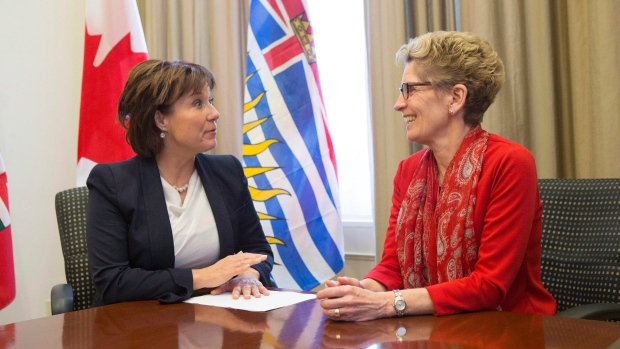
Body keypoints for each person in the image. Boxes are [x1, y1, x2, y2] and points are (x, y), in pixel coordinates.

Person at [317, 31, 556, 321]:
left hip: (509, 328)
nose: (398, 103)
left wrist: (385, 303)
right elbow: (393, 267)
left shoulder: (511, 163)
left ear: (455, 97)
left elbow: (489, 285)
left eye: (409, 89)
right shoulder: (408, 171)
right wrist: (362, 291)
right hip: (432, 327)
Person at [86, 59, 274, 306]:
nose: (214, 113)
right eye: (198, 103)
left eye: (210, 101)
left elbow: (257, 250)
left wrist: (247, 277)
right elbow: (112, 282)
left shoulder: (227, 171)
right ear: (161, 120)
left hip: (218, 319)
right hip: (141, 328)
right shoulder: (112, 183)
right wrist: (203, 277)